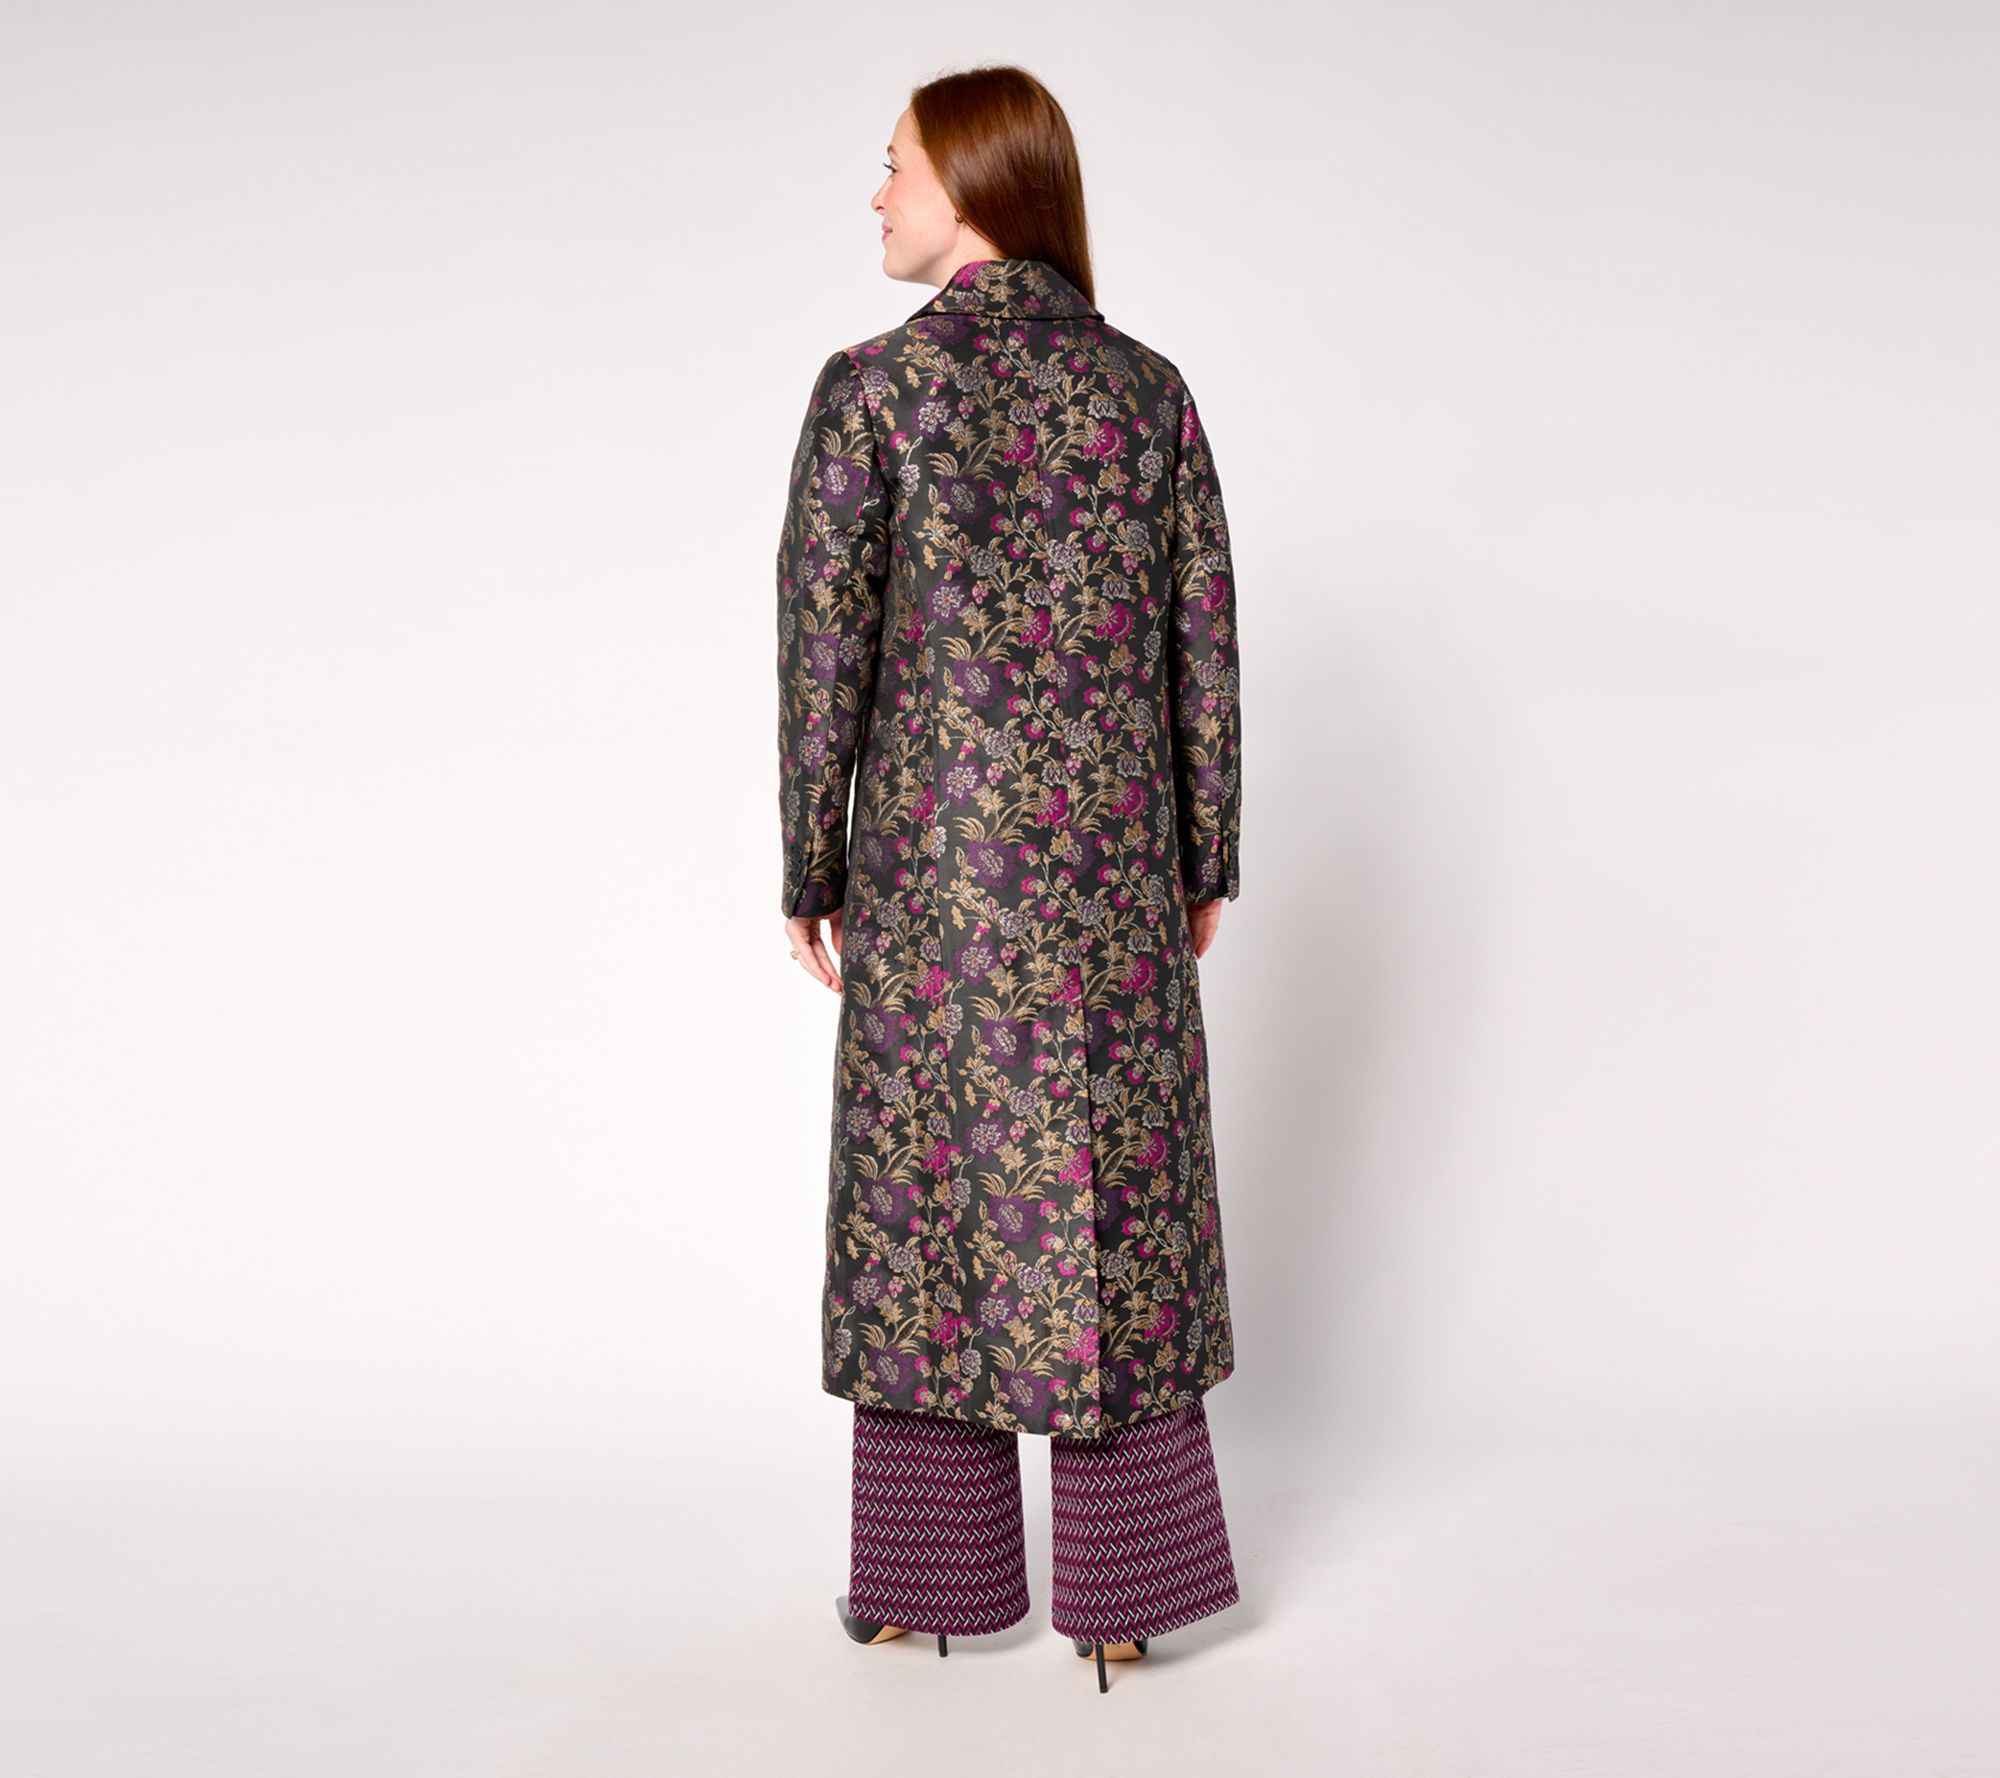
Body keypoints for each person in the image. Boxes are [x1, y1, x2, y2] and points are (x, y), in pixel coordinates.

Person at [775, 64, 1244, 1693]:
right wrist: (1204, 855)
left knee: (925, 1213)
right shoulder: (1146, 392)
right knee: (1117, 1207)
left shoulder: (875, 392)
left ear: (974, 184)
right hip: (1112, 888)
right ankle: (1125, 1592)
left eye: (895, 166)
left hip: (932, 885)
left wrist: (809, 859)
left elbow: (822, 650)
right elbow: (1205, 647)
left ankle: (928, 1587)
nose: (878, 194)